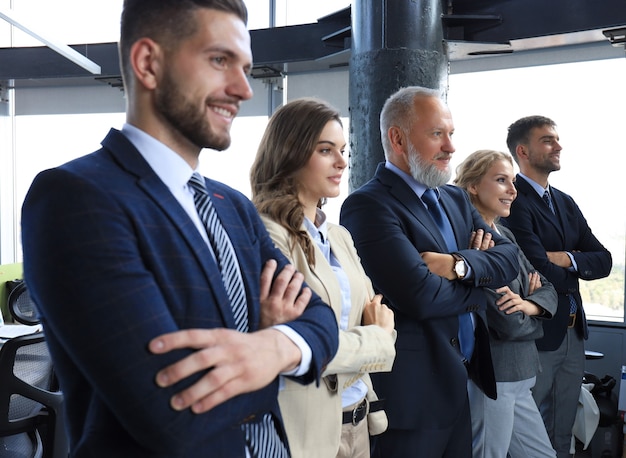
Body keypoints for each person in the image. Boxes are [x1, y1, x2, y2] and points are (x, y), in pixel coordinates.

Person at [20, 1, 339, 457]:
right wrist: (284, 355)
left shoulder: (233, 207)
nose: (244, 89)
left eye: (246, 67)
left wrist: (271, 347)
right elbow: (171, 409)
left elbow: (322, 319)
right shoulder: (76, 198)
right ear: (149, 63)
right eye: (219, 60)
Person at [339, 85, 520, 458]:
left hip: (462, 386)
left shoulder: (454, 197)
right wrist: (480, 287)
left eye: (450, 134)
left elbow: (510, 259)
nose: (451, 147)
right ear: (398, 138)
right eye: (437, 134)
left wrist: (457, 265)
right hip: (412, 400)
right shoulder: (368, 205)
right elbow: (421, 297)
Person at [249, 97, 397, 458]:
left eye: (343, 150)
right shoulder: (267, 236)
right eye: (326, 150)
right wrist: (377, 340)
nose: (342, 162)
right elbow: (298, 346)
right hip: (306, 434)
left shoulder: (338, 236)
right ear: (290, 153)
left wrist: (360, 338)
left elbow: (372, 314)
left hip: (359, 424)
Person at [501, 116, 612, 458]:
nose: (558, 146)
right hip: (538, 333)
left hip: (573, 333)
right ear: (523, 151)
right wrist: (575, 262)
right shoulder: (513, 201)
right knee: (529, 433)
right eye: (548, 140)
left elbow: (604, 260)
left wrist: (563, 258)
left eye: (557, 139)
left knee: (564, 429)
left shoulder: (564, 201)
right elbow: (536, 267)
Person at [454, 149, 557, 458]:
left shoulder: (505, 235)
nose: (513, 191)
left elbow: (548, 288)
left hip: (522, 374)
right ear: (473, 185)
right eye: (501, 181)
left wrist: (529, 305)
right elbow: (507, 323)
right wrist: (530, 304)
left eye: (513, 181)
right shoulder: (471, 241)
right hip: (494, 375)